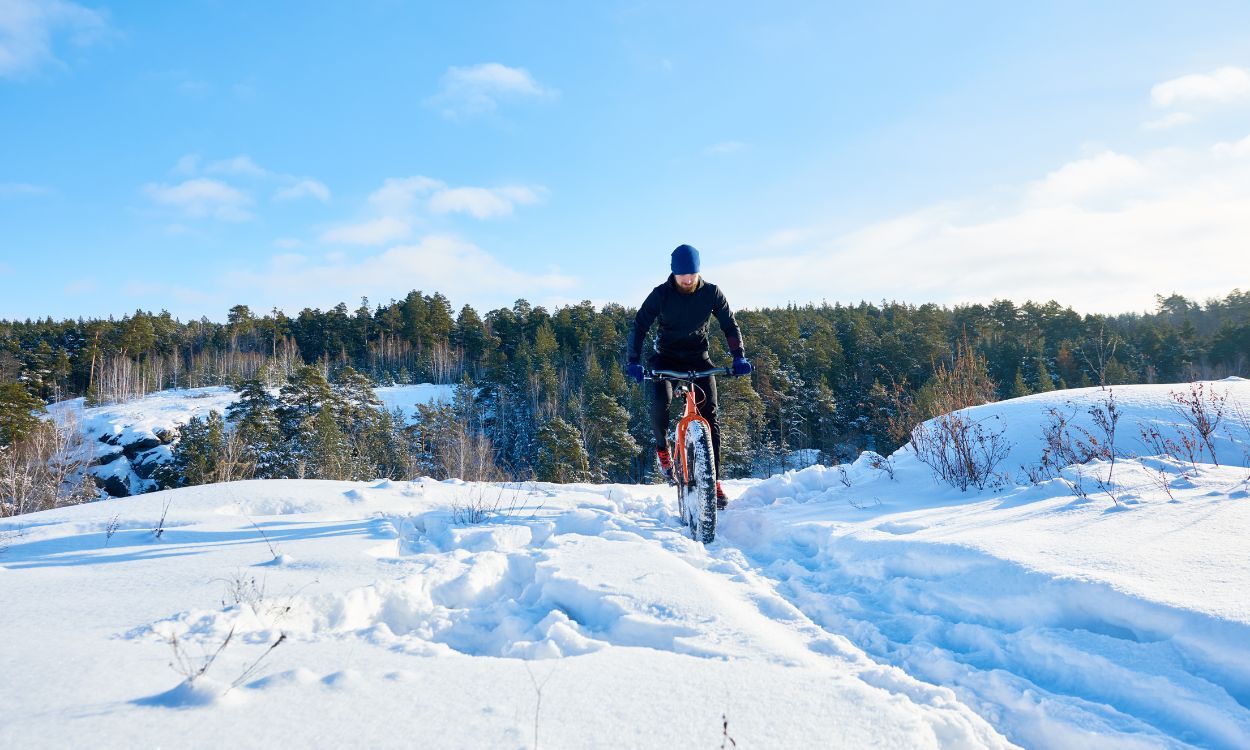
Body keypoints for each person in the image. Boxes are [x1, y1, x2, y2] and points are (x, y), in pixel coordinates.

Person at [625, 244, 752, 508]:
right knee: (661, 401)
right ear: (673, 273)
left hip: (698, 357)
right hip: (666, 358)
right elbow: (640, 326)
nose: (688, 279)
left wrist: (738, 356)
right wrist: (633, 361)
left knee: (710, 416)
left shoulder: (711, 292)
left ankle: (714, 481)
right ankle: (663, 450)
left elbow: (729, 323)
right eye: (683, 274)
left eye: (692, 274)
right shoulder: (660, 295)